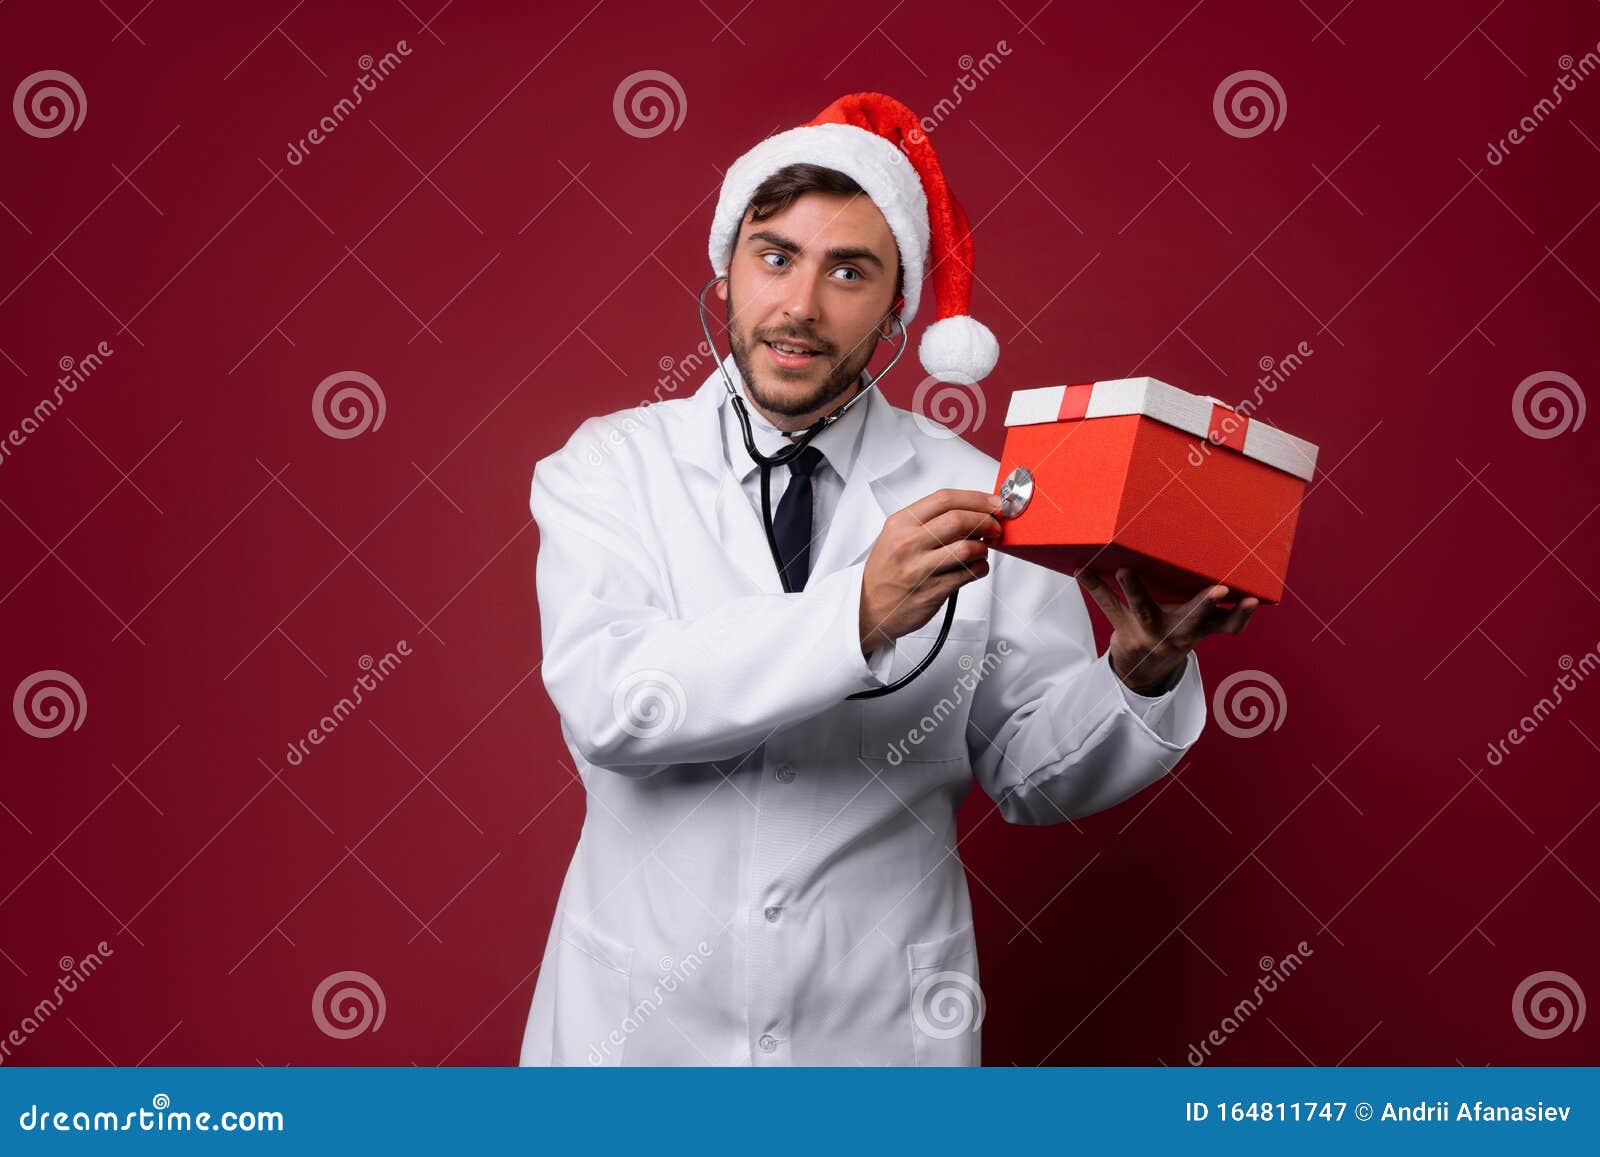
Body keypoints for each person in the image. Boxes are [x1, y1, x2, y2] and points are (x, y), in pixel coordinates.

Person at [518, 93, 1258, 1066]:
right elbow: (613, 706)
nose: (801, 306)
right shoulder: (607, 468)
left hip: (873, 1037)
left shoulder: (976, 493)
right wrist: (858, 613)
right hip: (640, 1028)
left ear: (897, 303)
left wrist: (1138, 669)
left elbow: (1031, 770)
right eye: (775, 256)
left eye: (849, 270)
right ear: (726, 271)